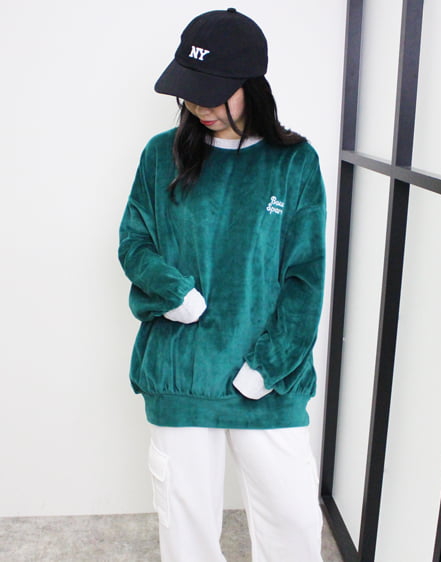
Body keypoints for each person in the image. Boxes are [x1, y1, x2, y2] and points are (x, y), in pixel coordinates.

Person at [119, 8, 326, 562]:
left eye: (212, 94)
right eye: (190, 94)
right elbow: (134, 242)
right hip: (182, 373)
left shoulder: (294, 162)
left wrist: (268, 366)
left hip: (269, 381)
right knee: (186, 535)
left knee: (293, 526)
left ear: (250, 85)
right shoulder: (160, 155)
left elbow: (305, 278)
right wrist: (174, 292)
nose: (199, 106)